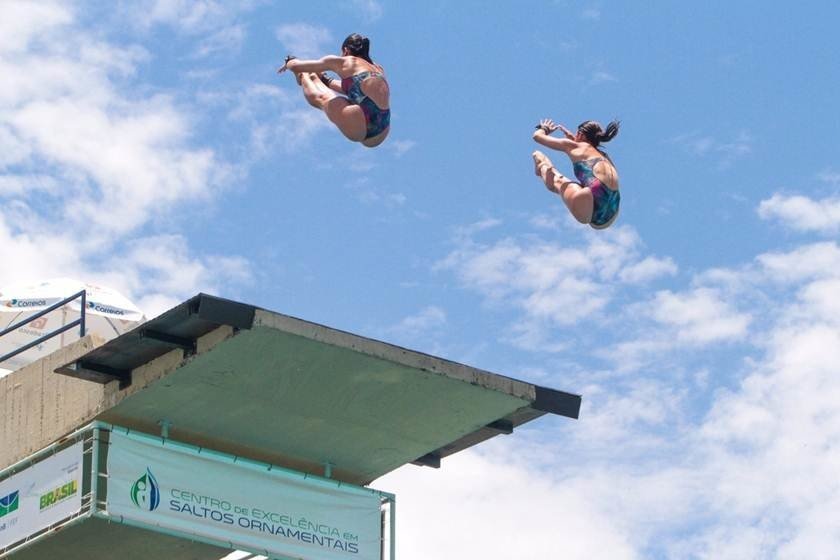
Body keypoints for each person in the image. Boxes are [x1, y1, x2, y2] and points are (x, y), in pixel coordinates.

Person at [277, 33, 390, 147]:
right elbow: (354, 91)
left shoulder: (345, 61)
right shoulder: (378, 68)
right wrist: (325, 80)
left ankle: (304, 76)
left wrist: (289, 60)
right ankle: (315, 77)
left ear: (345, 50)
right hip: (382, 130)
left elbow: (296, 66)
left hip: (360, 126)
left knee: (324, 99)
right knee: (341, 98)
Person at [531, 119, 621, 229]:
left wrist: (544, 128)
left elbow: (537, 137)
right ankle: (542, 167)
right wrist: (574, 140)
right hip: (611, 211)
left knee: (558, 182)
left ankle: (541, 166)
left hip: (587, 204)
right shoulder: (605, 156)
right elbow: (586, 151)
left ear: (580, 134)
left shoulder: (574, 146)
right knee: (580, 187)